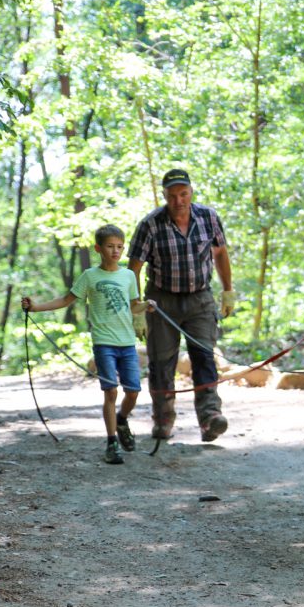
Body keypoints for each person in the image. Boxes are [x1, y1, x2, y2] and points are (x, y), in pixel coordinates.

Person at [22, 224, 149, 465]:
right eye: (110, 246)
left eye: (120, 247)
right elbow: (65, 299)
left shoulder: (128, 276)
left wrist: (146, 306)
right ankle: (112, 442)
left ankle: (122, 419)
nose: (115, 251)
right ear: (98, 248)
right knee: (111, 391)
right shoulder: (90, 276)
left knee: (133, 391)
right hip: (104, 343)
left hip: (127, 343)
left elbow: (134, 305)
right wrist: (35, 307)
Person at [128, 168, 236, 443]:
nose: (179, 200)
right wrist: (136, 307)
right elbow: (134, 267)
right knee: (162, 361)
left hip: (200, 298)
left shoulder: (208, 217)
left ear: (191, 193)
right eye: (172, 195)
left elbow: (221, 252)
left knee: (203, 356)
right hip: (161, 300)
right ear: (165, 196)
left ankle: (210, 418)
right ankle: (163, 419)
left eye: (183, 194)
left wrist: (227, 291)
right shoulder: (151, 224)